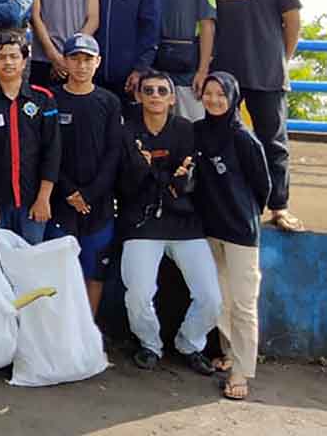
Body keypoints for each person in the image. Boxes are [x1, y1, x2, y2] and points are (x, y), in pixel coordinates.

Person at [117, 70, 220, 376]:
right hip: (142, 220)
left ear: (173, 98)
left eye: (163, 91)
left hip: (184, 222)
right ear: (139, 96)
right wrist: (153, 172)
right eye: (148, 90)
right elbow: (125, 183)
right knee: (137, 293)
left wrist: (155, 171)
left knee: (211, 297)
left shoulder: (186, 130)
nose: (155, 96)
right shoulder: (127, 131)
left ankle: (190, 343)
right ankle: (150, 344)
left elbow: (186, 180)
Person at [208, 0, 303, 233]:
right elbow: (208, 26)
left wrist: (281, 58)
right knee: (223, 140)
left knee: (273, 141)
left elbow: (292, 23)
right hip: (225, 78)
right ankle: (227, 200)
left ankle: (279, 206)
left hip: (267, 73)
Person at [194, 72, 270, 401]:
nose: (213, 100)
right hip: (210, 229)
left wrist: (243, 211)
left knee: (243, 303)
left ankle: (242, 371)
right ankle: (227, 352)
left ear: (233, 97)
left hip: (240, 231)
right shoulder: (197, 132)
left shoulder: (243, 138)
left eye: (220, 94)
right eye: (208, 93)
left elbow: (262, 185)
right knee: (219, 299)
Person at [49, 33, 121, 316]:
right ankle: (63, 332)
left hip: (98, 204)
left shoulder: (110, 102)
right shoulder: (51, 99)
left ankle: (88, 333)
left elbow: (114, 153)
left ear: (98, 62)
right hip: (60, 202)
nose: (81, 66)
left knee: (95, 272)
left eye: (87, 60)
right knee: (62, 271)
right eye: (75, 59)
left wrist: (89, 194)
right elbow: (48, 152)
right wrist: (69, 192)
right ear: (65, 61)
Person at [0, 31, 60, 250]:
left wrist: (44, 198)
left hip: (33, 202)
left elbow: (53, 150)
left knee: (29, 267)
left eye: (14, 56)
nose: (8, 62)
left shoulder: (43, 98)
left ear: (24, 61)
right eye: (1, 57)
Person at [147, 0, 217, 121]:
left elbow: (207, 26)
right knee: (160, 124)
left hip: (188, 68)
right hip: (157, 67)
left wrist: (203, 71)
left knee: (192, 123)